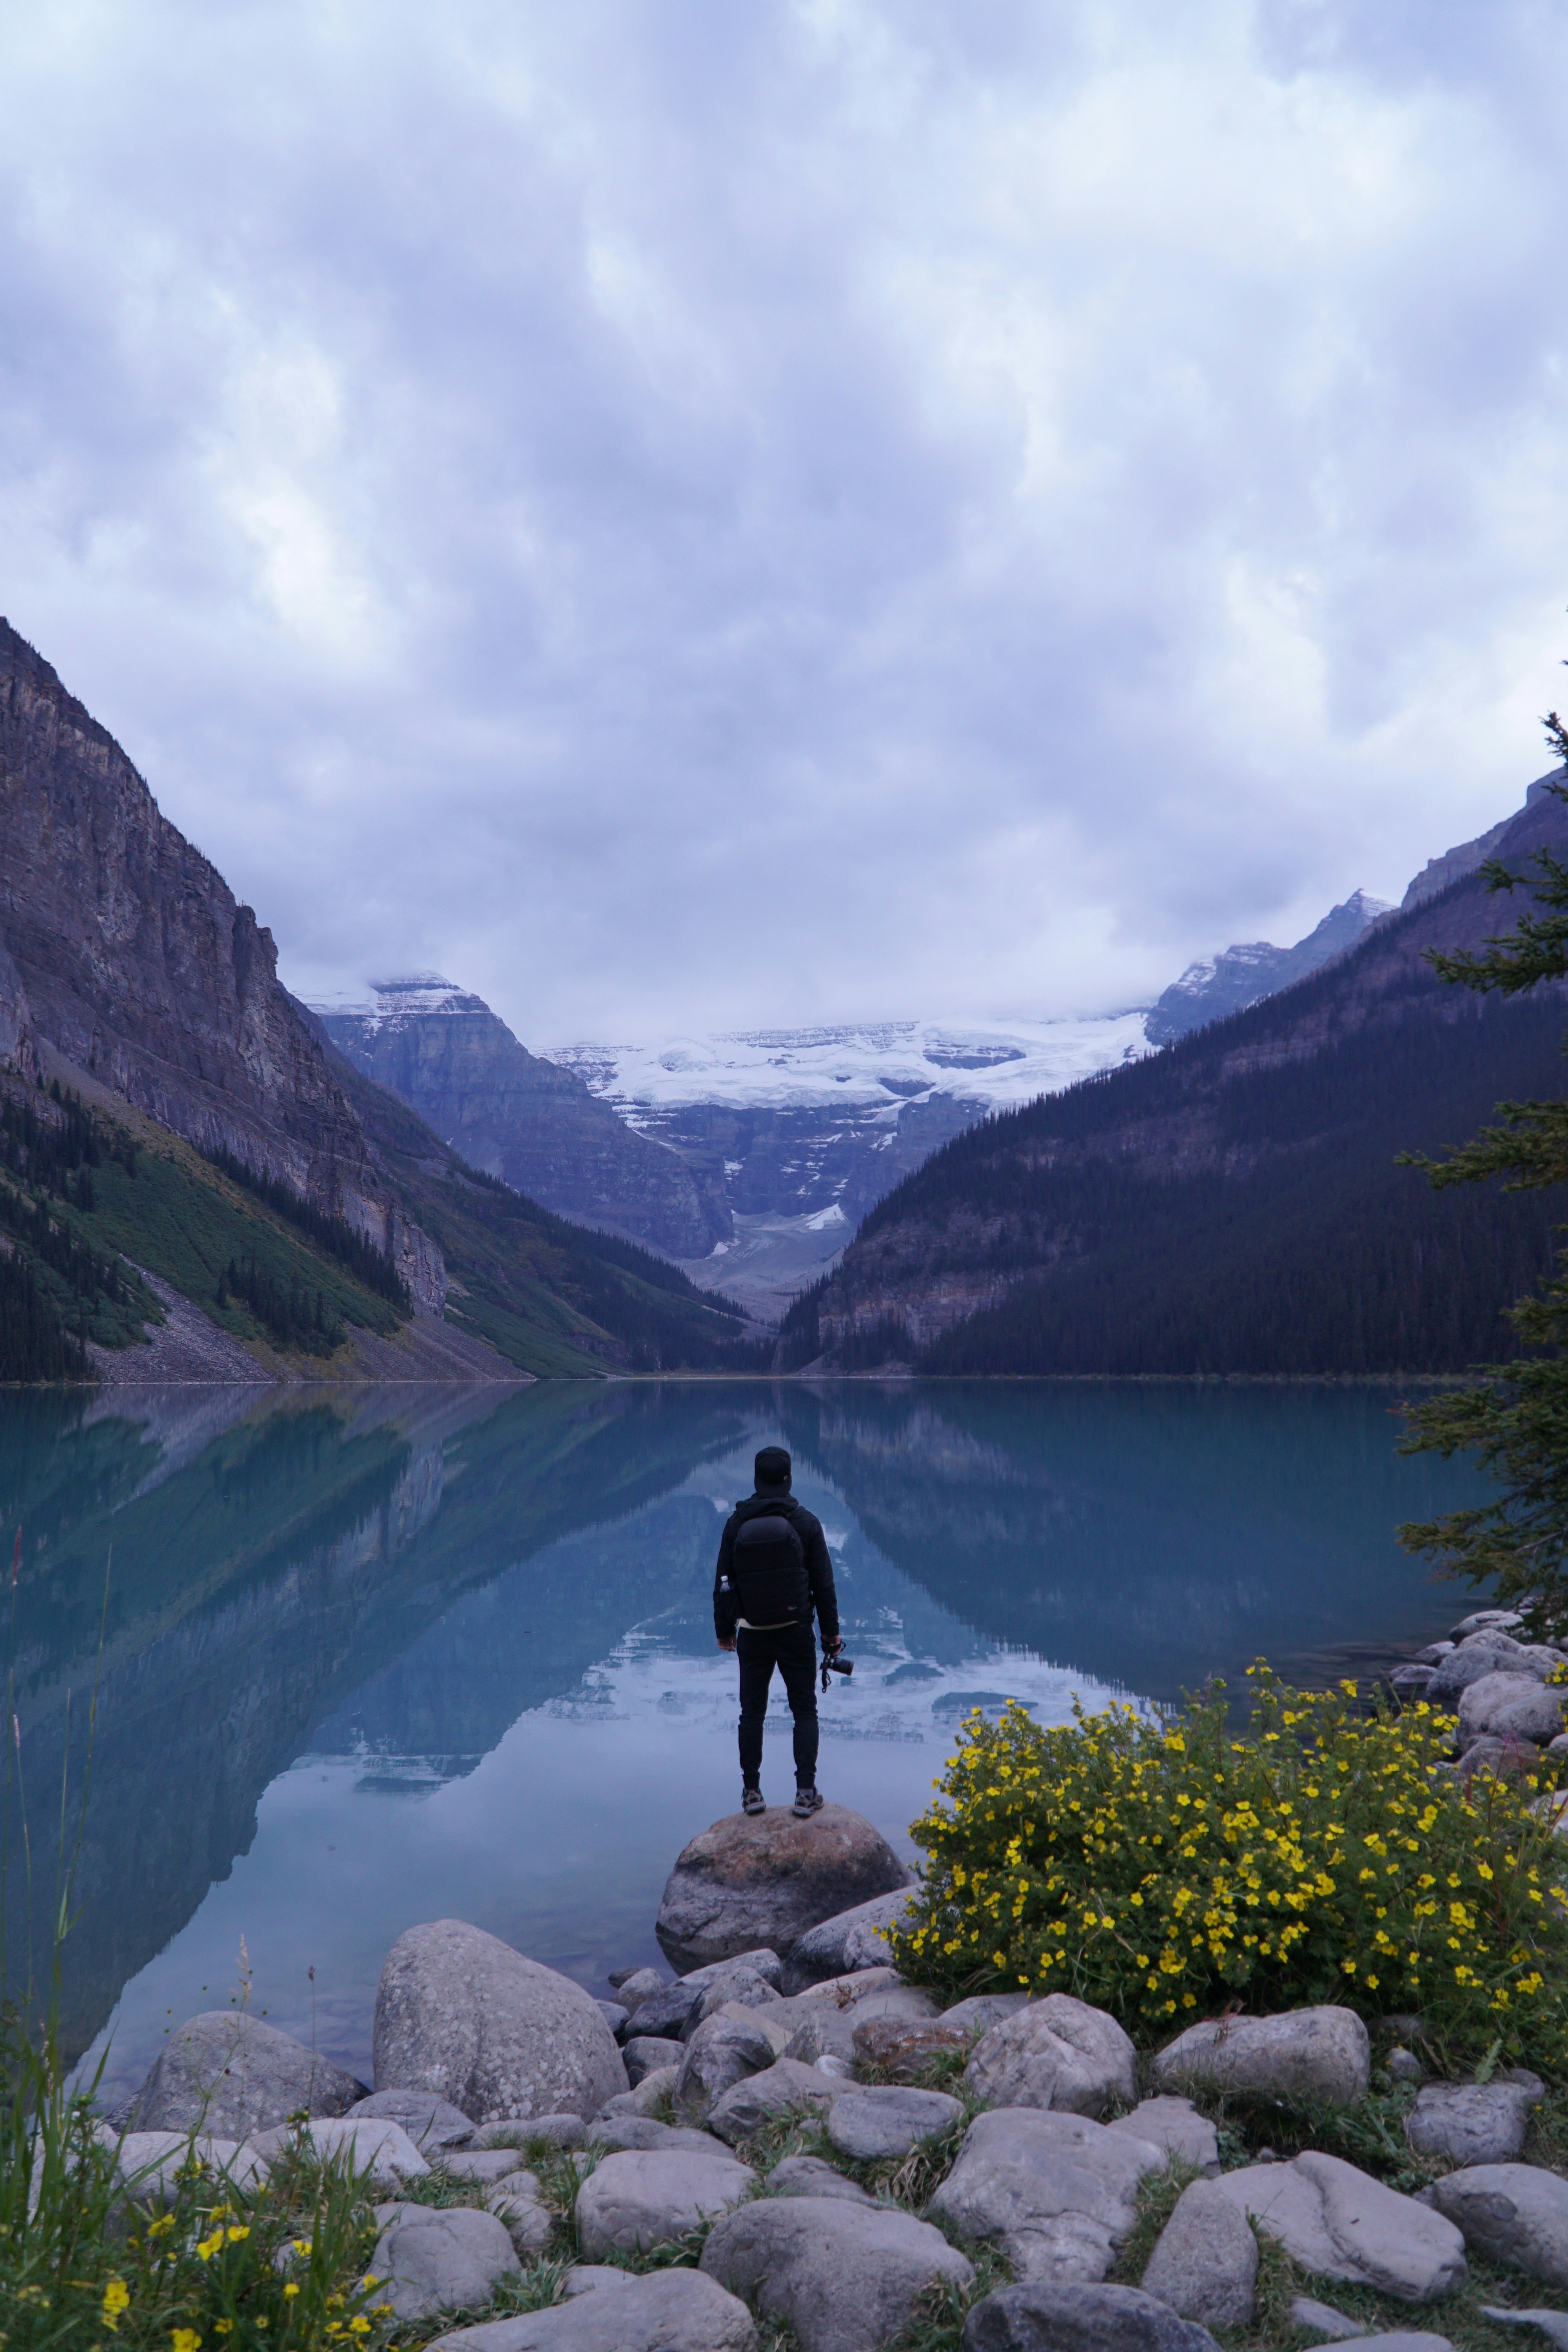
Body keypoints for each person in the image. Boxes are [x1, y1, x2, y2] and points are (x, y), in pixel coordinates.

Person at [713, 1444, 841, 1818]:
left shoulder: (737, 1523)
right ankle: (805, 1793)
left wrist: (725, 1629)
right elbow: (824, 1585)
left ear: (756, 1479)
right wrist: (831, 1634)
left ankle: (752, 1792)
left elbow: (724, 1580)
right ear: (788, 1479)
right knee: (804, 1709)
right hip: (796, 1631)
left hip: (752, 1632)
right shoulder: (806, 1523)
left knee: (751, 1712)